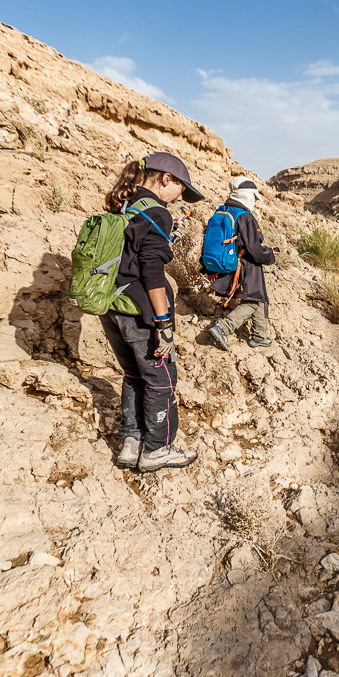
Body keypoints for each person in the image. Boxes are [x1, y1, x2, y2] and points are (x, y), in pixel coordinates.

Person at [100, 152, 204, 472]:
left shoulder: (125, 204)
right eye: (181, 191)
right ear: (165, 180)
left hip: (111, 306)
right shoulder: (157, 212)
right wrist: (164, 324)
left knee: (134, 373)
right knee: (161, 378)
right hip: (139, 311)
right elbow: (152, 271)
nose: (179, 199)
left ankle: (132, 441)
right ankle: (159, 448)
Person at [204, 177, 278, 349]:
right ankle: (223, 328)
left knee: (259, 296)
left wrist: (207, 268)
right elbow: (256, 252)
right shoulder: (245, 217)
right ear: (248, 195)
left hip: (229, 263)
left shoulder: (223, 211)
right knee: (252, 301)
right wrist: (270, 255)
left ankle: (260, 335)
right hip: (246, 267)